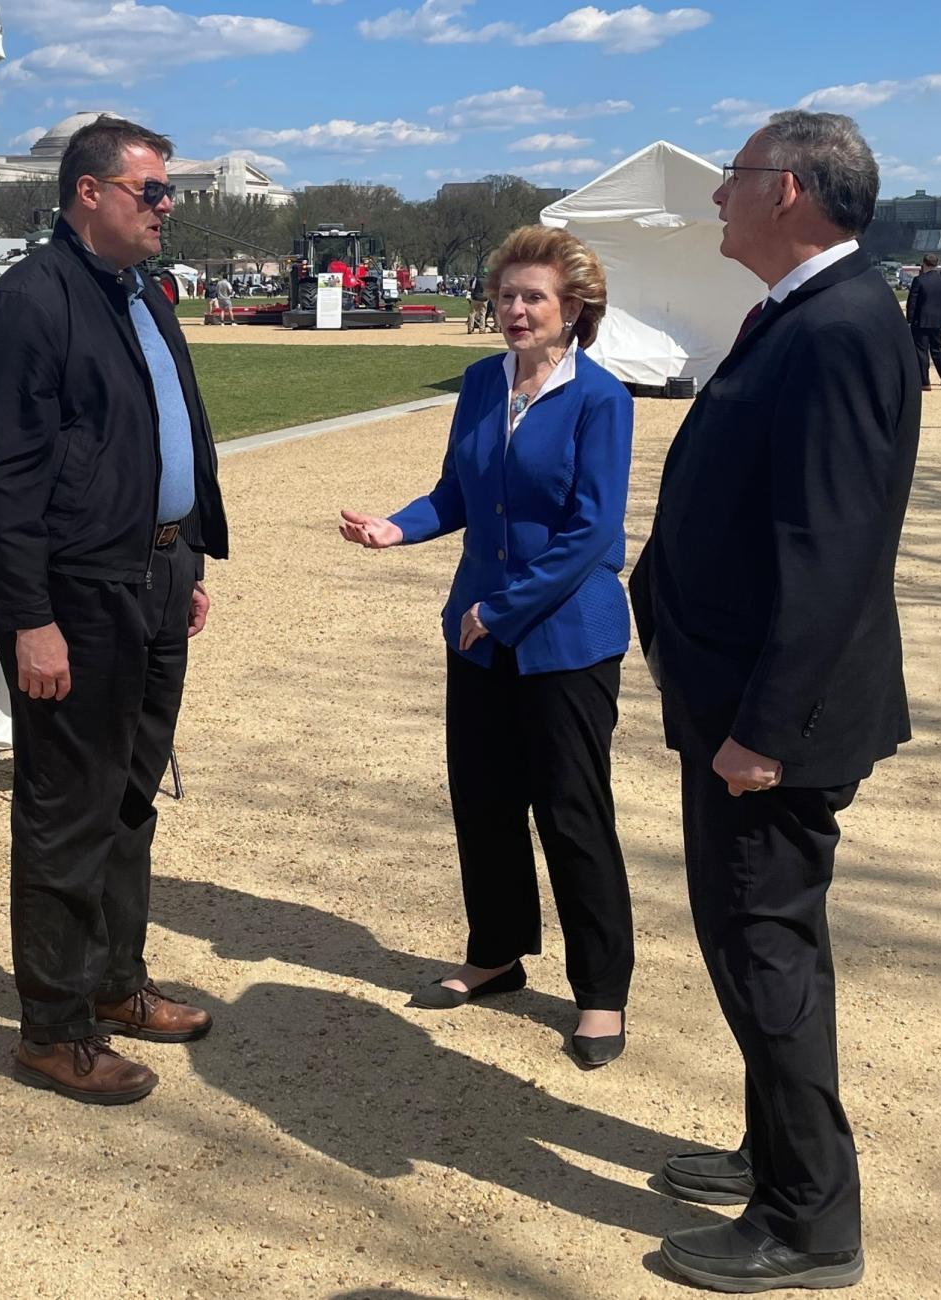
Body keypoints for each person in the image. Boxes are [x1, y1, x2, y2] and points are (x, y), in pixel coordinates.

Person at [630, 111, 920, 1292]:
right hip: (738, 701)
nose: (717, 199)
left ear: (788, 189)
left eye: (735, 179)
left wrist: (765, 727)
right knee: (765, 945)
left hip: (768, 724)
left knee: (764, 949)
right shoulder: (803, 315)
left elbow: (832, 549)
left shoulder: (841, 327)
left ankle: (809, 1217)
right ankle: (778, 1147)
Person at [0, 115, 229, 1105]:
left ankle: (116, 981)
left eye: (168, 193)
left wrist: (185, 551)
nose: (167, 208)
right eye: (152, 191)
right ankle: (52, 1028)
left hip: (155, 579)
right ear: (90, 193)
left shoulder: (144, 292)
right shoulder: (30, 303)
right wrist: (27, 618)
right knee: (68, 808)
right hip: (73, 595)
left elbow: (169, 435)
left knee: (131, 796)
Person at [340, 225, 636, 1069]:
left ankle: (600, 991)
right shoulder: (479, 383)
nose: (513, 309)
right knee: (484, 798)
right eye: (505, 294)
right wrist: (397, 527)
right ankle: (497, 953)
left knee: (572, 813)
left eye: (531, 297)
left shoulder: (599, 398)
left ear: (571, 308)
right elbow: (456, 493)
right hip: (476, 634)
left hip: (563, 637)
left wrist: (502, 608)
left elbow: (592, 531)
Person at [906, 252, 941, 390]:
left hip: (920, 321)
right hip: (937, 321)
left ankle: (925, 381)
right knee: (938, 349)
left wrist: (909, 320)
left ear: (924, 264)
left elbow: (912, 302)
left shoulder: (919, 280)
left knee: (921, 351)